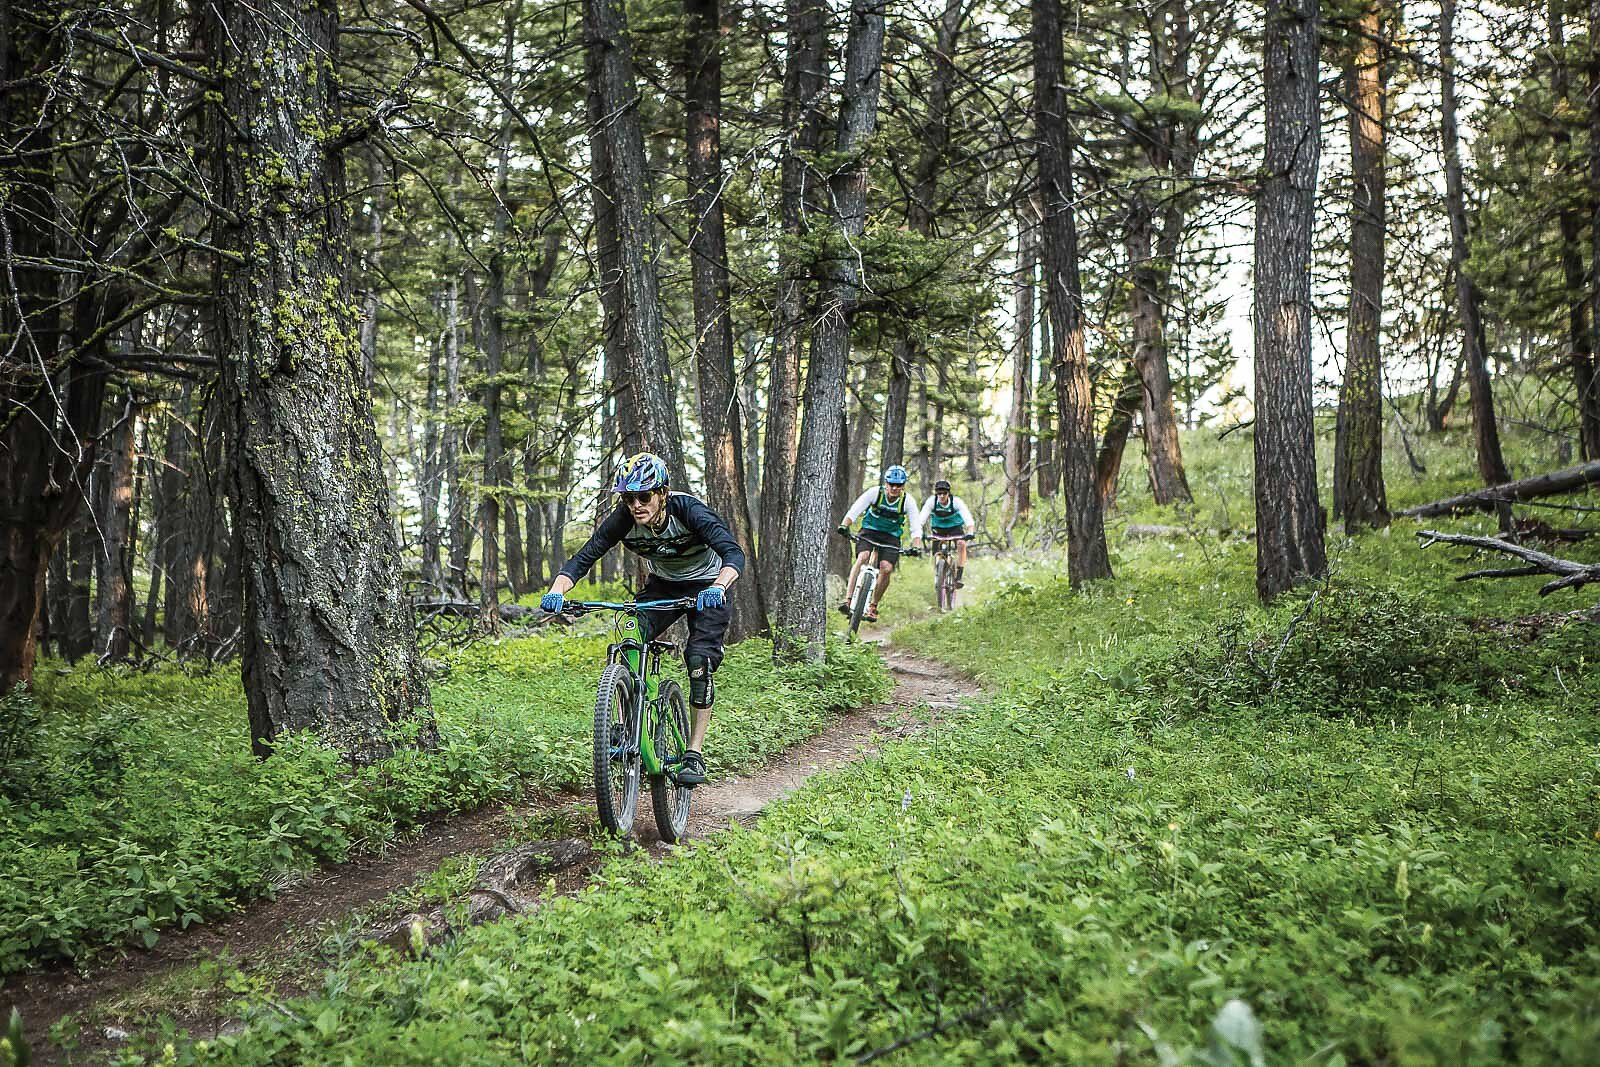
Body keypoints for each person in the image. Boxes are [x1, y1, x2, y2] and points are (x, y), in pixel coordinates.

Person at [539, 452, 744, 786]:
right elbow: (585, 557)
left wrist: (719, 585)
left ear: (662, 493)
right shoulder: (624, 519)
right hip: (663, 585)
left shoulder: (689, 511)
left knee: (698, 661)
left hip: (709, 586)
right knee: (630, 634)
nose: (636, 504)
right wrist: (557, 591)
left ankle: (694, 753)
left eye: (644, 496)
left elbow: (734, 553)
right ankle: (624, 722)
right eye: (628, 497)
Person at [835, 465, 921, 623]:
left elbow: (916, 526)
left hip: (891, 537)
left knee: (886, 568)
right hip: (869, 531)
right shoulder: (875, 493)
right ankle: (848, 600)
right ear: (886, 483)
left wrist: (916, 545)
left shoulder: (907, 501)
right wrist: (844, 525)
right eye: (891, 484)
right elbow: (855, 509)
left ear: (903, 486)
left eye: (898, 485)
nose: (894, 488)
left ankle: (873, 606)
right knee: (862, 557)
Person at [915, 479, 976, 586]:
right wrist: (918, 532)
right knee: (936, 553)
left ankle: (959, 576)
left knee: (961, 544)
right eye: (939, 493)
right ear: (936, 493)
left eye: (944, 493)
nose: (942, 496)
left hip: (955, 527)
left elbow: (967, 518)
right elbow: (921, 519)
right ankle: (939, 575)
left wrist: (970, 531)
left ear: (949, 493)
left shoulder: (956, 502)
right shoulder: (931, 502)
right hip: (938, 528)